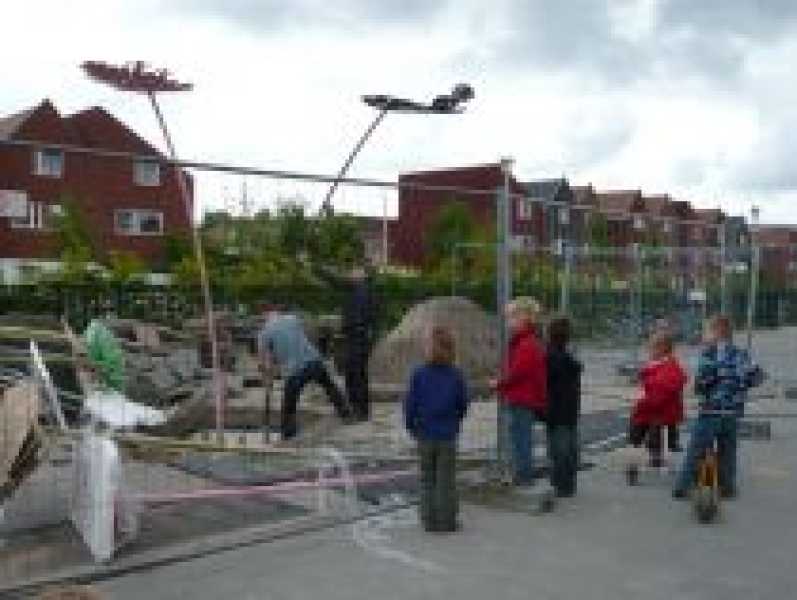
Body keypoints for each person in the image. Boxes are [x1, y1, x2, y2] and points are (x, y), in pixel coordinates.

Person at [673, 315, 763, 499]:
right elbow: (757, 376)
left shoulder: (710, 354)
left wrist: (697, 388)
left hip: (711, 411)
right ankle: (727, 487)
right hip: (732, 413)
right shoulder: (741, 354)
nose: (703, 336)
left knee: (697, 449)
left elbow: (703, 381)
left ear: (716, 333)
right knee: (728, 452)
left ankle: (683, 486)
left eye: (706, 331)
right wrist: (742, 385)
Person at [404, 326, 468, 532]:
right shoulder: (456, 375)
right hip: (447, 434)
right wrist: (456, 421)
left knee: (427, 478)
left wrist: (411, 426)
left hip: (424, 433)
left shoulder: (418, 374)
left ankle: (428, 519)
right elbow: (462, 404)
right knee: (446, 479)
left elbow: (410, 404)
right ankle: (447, 520)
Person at [258, 308, 353, 440]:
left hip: (295, 369)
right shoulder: (292, 319)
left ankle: (288, 434)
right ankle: (345, 413)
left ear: (265, 318)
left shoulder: (264, 334)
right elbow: (307, 333)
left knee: (289, 403)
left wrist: (268, 380)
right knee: (330, 386)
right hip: (314, 360)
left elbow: (265, 363)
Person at [491, 297, 547, 487]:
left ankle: (523, 477)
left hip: (522, 398)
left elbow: (518, 373)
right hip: (523, 397)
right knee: (520, 437)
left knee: (521, 439)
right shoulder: (526, 341)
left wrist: (499, 383)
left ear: (524, 318)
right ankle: (522, 475)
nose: (508, 322)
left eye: (511, 318)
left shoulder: (526, 344)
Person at [312, 261, 375, 422]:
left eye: (354, 270)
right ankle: (356, 408)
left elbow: (361, 317)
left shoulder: (362, 291)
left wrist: (322, 269)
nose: (351, 273)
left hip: (358, 337)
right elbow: (336, 281)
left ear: (363, 274)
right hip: (355, 337)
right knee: (352, 373)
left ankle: (360, 410)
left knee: (356, 374)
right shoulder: (357, 290)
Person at [626, 331, 687, 482]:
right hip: (649, 408)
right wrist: (642, 378)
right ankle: (636, 461)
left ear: (662, 348)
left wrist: (647, 383)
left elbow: (667, 387)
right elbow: (648, 380)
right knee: (635, 431)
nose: (649, 351)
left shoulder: (671, 366)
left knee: (655, 432)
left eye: (651, 347)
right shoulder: (654, 364)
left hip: (662, 411)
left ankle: (656, 456)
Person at [546, 316, 583, 497]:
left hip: (556, 409)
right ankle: (568, 484)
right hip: (571, 408)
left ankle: (561, 485)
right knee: (570, 447)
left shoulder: (550, 356)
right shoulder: (568, 356)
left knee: (559, 449)